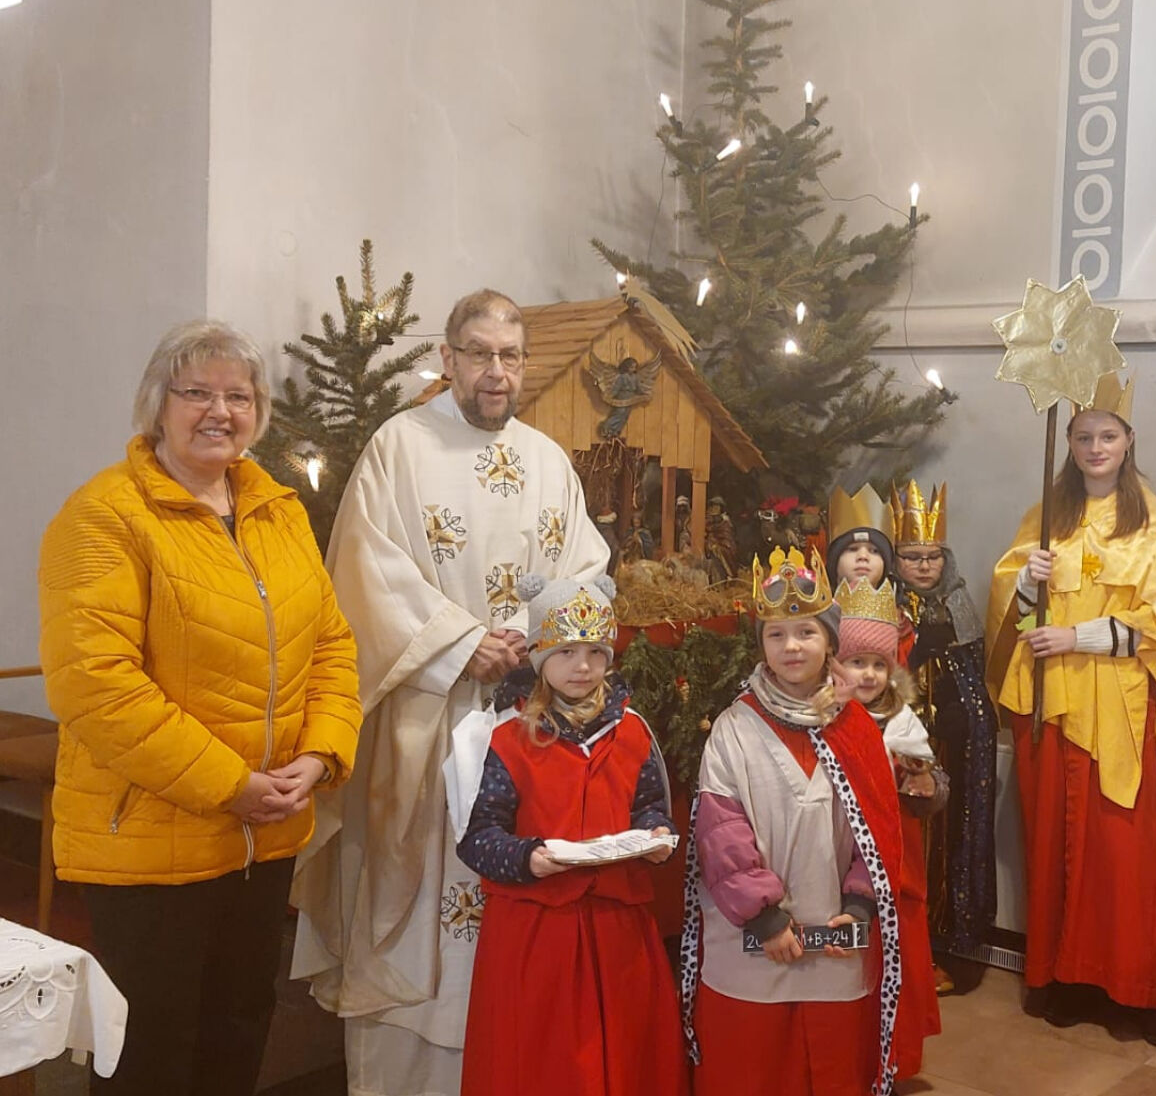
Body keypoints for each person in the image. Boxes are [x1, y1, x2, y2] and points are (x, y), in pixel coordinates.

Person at [290, 289, 609, 1096]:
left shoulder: (547, 459)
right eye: (478, 352)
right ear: (448, 356)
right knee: (421, 912)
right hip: (427, 724)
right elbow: (365, 577)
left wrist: (539, 643)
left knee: (513, 910)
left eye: (509, 355)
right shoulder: (398, 447)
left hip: (528, 722)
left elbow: (585, 573)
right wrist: (463, 644)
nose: (495, 371)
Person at [38, 320, 361, 1096]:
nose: (219, 410)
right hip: (149, 838)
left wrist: (317, 757)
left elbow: (333, 645)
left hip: (263, 833)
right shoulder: (106, 516)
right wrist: (231, 782)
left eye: (237, 395)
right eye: (197, 393)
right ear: (158, 405)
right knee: (150, 1051)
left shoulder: (276, 509)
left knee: (239, 1028)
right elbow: (96, 683)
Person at [984, 376, 1156, 1046]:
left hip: (1120, 704)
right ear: (1067, 443)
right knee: (1055, 843)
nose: (1095, 447)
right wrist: (1025, 584)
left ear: (1128, 441)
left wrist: (1077, 635)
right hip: (1052, 704)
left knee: (1126, 850)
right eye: (1083, 435)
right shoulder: (1047, 516)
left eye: (1108, 434)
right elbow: (1013, 614)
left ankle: (1137, 992)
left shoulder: (1155, 522)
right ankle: (1061, 979)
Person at [454, 574, 686, 1096]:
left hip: (617, 930)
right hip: (536, 933)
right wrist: (529, 858)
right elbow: (476, 835)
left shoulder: (631, 732)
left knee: (627, 1056)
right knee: (541, 1064)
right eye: (565, 652)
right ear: (539, 658)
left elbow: (652, 807)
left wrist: (658, 838)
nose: (582, 666)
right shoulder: (506, 737)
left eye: (594, 652)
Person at [683, 547, 903, 1096]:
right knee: (753, 1071)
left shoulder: (856, 730)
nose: (791, 647)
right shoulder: (734, 729)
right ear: (760, 645)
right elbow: (720, 833)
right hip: (752, 939)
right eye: (776, 635)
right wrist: (764, 919)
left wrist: (857, 905)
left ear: (830, 640)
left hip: (834, 938)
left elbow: (874, 834)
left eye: (805, 632)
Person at [837, 576, 948, 1080]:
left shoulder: (902, 719)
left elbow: (925, 773)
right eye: (856, 662)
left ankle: (896, 1057)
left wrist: (921, 780)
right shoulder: (826, 716)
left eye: (878, 665)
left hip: (897, 854)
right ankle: (855, 1055)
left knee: (897, 949)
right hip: (844, 852)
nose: (868, 675)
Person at [892, 480, 999, 984]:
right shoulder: (887, 607)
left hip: (955, 746)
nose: (925, 566)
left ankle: (952, 936)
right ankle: (914, 945)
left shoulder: (959, 601)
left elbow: (972, 672)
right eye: (912, 557)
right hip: (909, 746)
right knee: (916, 842)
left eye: (932, 556)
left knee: (953, 838)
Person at [825, 483, 915, 666]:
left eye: (874, 551)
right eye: (852, 549)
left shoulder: (902, 623)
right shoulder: (820, 616)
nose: (863, 557)